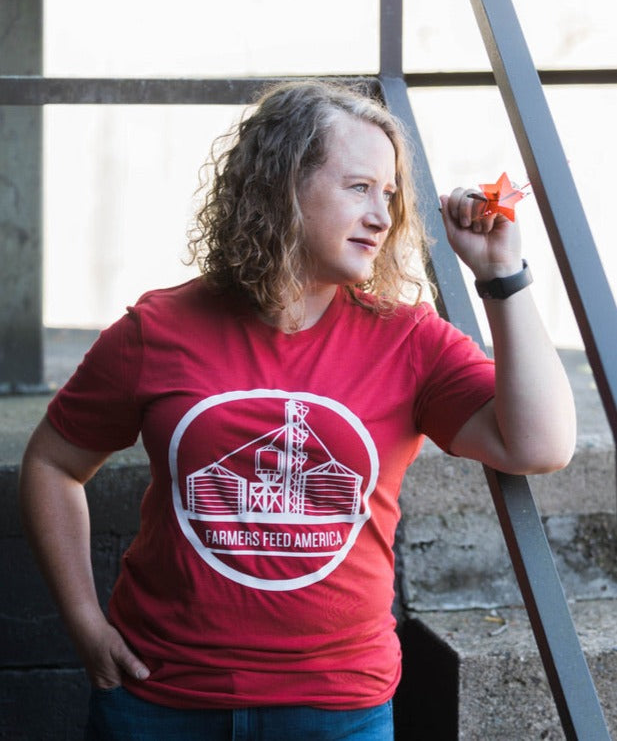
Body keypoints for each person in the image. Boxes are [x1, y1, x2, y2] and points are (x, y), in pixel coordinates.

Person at [19, 79, 576, 741]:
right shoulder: (159, 328)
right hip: (159, 698)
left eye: (390, 194)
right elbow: (53, 462)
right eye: (358, 187)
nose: (381, 214)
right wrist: (84, 623)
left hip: (338, 708)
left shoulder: (407, 338)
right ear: (283, 184)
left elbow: (539, 446)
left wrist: (500, 277)